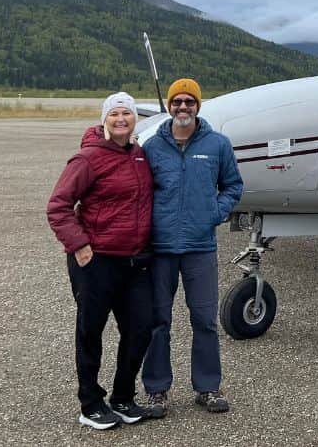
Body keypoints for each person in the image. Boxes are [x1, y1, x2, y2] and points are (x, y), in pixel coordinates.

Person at [47, 92, 154, 430]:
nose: (121, 119)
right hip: (96, 261)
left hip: (134, 261)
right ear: (105, 119)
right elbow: (58, 206)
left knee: (141, 328)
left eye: (127, 113)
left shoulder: (140, 155)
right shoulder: (88, 158)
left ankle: (122, 397)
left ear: (135, 119)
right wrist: (78, 245)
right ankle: (90, 403)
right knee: (91, 331)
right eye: (114, 114)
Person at [140, 78, 243, 417]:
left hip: (200, 246)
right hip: (161, 248)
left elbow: (233, 185)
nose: (182, 107)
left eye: (189, 101)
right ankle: (156, 390)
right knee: (158, 320)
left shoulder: (217, 145)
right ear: (170, 106)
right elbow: (141, 192)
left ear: (198, 106)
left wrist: (214, 213)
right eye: (177, 101)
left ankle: (208, 387)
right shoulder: (152, 147)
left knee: (204, 319)